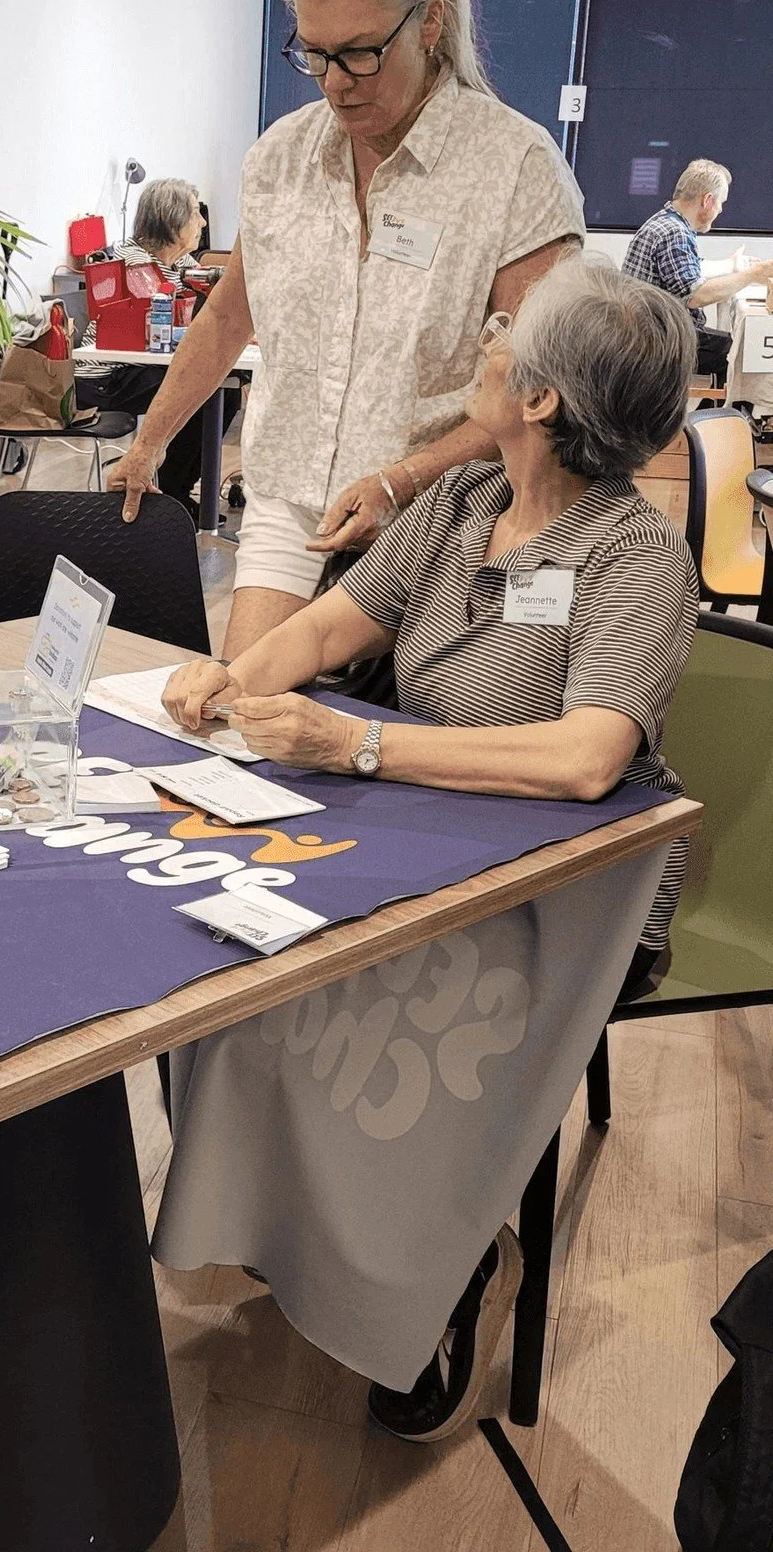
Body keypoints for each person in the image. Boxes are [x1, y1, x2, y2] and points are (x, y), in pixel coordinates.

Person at [155, 259, 699, 1442]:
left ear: (543, 399)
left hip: (567, 877)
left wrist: (354, 748)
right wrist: (225, 678)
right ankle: (281, 1219)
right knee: (214, 947)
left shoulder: (638, 557)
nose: (488, 337)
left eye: (509, 330)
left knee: (387, 1005)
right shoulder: (457, 511)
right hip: (414, 830)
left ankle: (438, 1271)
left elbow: (585, 763)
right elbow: (333, 622)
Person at [105, 0, 585, 659]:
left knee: (377, 748)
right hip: (291, 500)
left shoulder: (516, 170)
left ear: (428, 24)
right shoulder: (283, 157)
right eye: (315, 53)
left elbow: (537, 394)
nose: (335, 81)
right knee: (240, 714)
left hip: (448, 516)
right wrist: (149, 442)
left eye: (361, 52)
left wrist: (404, 477)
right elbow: (230, 317)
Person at [77, 178, 241, 516]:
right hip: (108, 376)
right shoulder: (135, 264)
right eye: (196, 214)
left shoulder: (181, 264)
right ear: (172, 221)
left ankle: (175, 488)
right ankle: (173, 492)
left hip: (142, 369)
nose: (204, 223)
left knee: (226, 386)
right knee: (203, 390)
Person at [621, 157, 773, 387]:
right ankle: (728, 419)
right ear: (708, 201)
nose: (720, 210)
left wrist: (733, 266)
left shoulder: (665, 222)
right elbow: (695, 296)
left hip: (643, 332)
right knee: (744, 353)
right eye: (721, 203)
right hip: (659, 340)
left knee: (734, 346)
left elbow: (688, 269)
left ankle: (713, 414)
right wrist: (752, 275)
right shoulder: (675, 233)